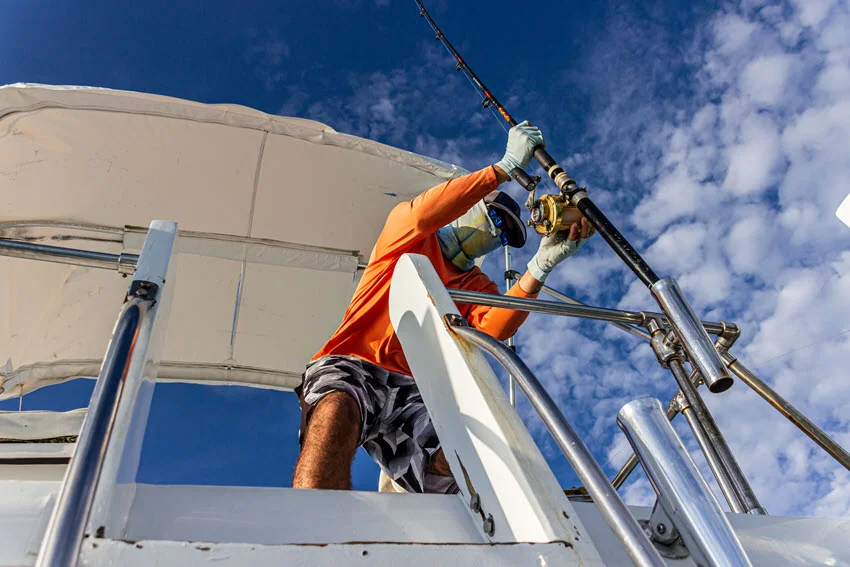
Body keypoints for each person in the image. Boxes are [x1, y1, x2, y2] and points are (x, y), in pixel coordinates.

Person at [293, 122, 594, 493]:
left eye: (503, 233)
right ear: (470, 207)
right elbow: (422, 214)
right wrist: (503, 169)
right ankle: (317, 524)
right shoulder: (408, 237)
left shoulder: (476, 287)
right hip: (353, 361)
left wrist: (541, 264)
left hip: (412, 391)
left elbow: (494, 330)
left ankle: (519, 522)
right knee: (337, 409)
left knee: (457, 455)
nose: (495, 232)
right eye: (494, 217)